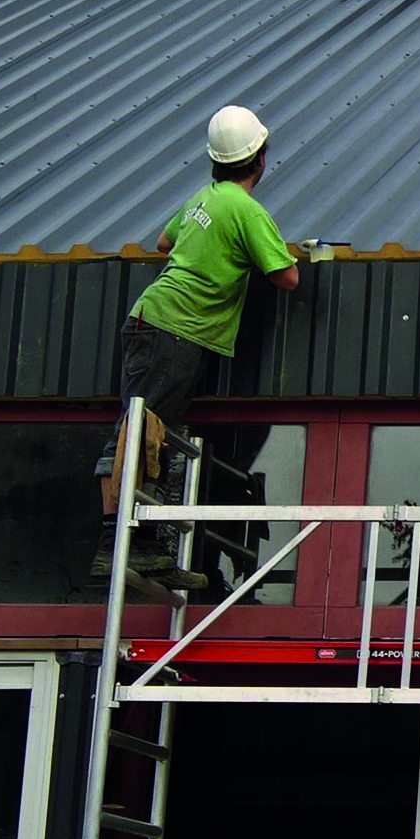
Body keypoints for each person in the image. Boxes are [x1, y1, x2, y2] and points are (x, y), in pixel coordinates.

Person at [90, 105, 299, 587]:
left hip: (158, 321)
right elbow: (287, 277)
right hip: (174, 329)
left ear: (215, 161)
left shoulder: (204, 198)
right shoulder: (247, 211)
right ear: (260, 160)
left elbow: (163, 243)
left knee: (153, 433)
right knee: (138, 432)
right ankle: (113, 543)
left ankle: (144, 547)